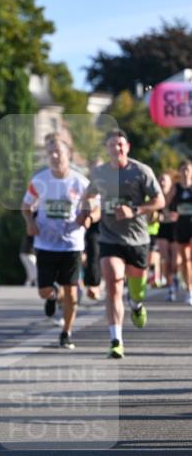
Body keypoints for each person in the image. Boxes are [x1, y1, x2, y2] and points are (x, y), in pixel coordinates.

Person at [82, 129, 164, 359]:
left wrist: (135, 210)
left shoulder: (141, 171)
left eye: (120, 144)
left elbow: (160, 200)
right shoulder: (99, 173)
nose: (116, 149)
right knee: (114, 284)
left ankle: (136, 304)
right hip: (110, 238)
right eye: (111, 145)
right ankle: (115, 340)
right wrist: (86, 212)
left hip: (138, 239)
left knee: (136, 290)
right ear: (106, 149)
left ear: (127, 147)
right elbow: (87, 195)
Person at [22, 134, 90, 349]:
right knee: (44, 290)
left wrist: (87, 216)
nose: (54, 156)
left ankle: (66, 332)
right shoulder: (40, 180)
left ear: (68, 154)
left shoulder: (80, 182)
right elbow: (26, 206)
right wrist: (30, 222)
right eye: (50, 153)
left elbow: (94, 207)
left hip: (72, 244)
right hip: (45, 244)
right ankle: (53, 296)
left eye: (58, 152)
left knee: (72, 290)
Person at [169, 159, 192, 306]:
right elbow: (167, 204)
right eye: (183, 169)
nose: (185, 172)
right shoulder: (175, 188)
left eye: (188, 169)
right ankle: (189, 290)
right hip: (180, 226)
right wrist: (170, 213)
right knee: (184, 261)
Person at [156, 171, 179, 301]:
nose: (163, 183)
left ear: (170, 183)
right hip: (162, 229)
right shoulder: (157, 197)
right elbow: (152, 215)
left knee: (175, 262)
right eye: (161, 180)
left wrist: (177, 215)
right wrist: (155, 216)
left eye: (165, 180)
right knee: (166, 260)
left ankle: (175, 277)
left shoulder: (176, 195)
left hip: (175, 229)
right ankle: (170, 288)